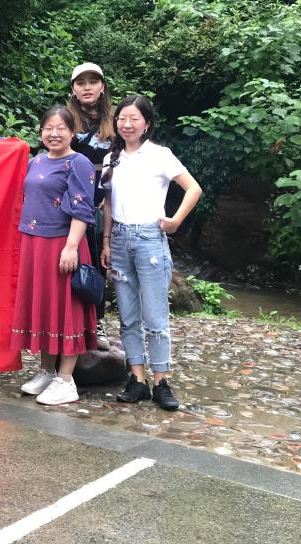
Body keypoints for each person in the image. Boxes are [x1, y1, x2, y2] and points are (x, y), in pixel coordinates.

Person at [99, 95, 202, 411]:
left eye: (134, 119)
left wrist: (175, 221)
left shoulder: (160, 155)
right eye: (122, 118)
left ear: (147, 124)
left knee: (156, 317)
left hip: (150, 239)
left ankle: (161, 382)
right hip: (119, 238)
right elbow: (108, 203)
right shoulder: (112, 158)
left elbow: (193, 188)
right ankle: (137, 380)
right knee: (128, 317)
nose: (127, 124)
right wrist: (106, 240)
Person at [11, 106, 97, 406]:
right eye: (48, 128)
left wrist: (71, 246)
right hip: (35, 244)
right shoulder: (36, 161)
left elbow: (82, 208)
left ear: (73, 132)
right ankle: (46, 371)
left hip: (62, 244)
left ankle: (66, 379)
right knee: (46, 306)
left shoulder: (78, 163)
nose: (54, 133)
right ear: (41, 132)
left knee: (67, 309)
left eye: (61, 128)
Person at [67, 62, 115, 351]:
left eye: (93, 82)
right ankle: (67, 324)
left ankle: (97, 322)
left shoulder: (116, 122)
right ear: (73, 89)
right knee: (69, 263)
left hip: (101, 202)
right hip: (69, 204)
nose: (87, 87)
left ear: (102, 86)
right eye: (81, 82)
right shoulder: (65, 120)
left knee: (98, 263)